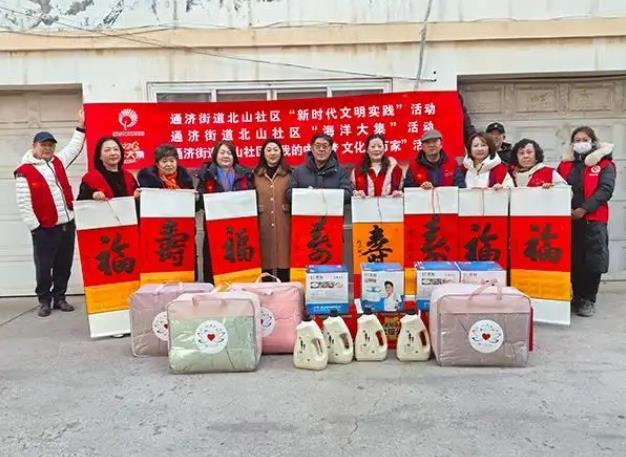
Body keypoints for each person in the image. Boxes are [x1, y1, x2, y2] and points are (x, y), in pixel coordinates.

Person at [14, 109, 85, 317]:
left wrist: (81, 126)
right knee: (44, 267)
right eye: (43, 145)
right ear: (34, 147)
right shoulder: (24, 170)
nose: (47, 149)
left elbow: (74, 147)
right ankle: (44, 301)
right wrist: (35, 227)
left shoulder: (58, 161)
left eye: (51, 145)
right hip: (44, 228)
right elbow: (24, 203)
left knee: (64, 264)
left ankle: (60, 297)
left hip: (66, 224)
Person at [557, 126, 615, 317]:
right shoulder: (565, 165)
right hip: (569, 220)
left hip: (593, 220)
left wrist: (584, 209)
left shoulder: (605, 165)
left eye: (585, 140)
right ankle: (577, 297)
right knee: (573, 260)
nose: (581, 143)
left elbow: (605, 190)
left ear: (593, 142)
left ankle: (589, 299)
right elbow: (558, 186)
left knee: (592, 262)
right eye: (577, 140)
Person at [197, 141, 254, 284]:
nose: (226, 156)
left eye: (229, 153)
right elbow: (200, 202)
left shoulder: (245, 175)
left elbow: (252, 198)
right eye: (222, 153)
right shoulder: (207, 175)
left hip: (239, 228)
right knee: (214, 259)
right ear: (215, 156)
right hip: (214, 227)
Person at [254, 140, 292, 282]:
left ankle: (286, 291)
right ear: (263, 154)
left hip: (284, 221)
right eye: (268, 150)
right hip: (262, 221)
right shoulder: (255, 175)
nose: (272, 153)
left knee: (284, 256)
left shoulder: (289, 174)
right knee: (264, 257)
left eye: (275, 150)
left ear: (281, 152)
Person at [287, 133, 352, 203]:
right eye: (317, 146)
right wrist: (308, 194)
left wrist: (324, 194)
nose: (321, 149)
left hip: (331, 209)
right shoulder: (298, 172)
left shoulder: (340, 171)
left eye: (325, 146)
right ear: (312, 148)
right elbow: (289, 194)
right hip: (307, 209)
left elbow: (348, 194)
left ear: (331, 149)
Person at [77, 136, 139, 200]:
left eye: (116, 149)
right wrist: (93, 195)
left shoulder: (129, 176)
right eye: (107, 150)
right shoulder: (91, 178)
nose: (113, 153)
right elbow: (81, 202)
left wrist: (138, 196)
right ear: (99, 156)